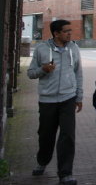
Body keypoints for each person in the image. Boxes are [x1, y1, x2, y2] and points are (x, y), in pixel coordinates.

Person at [27, 19, 83, 185]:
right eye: (66, 31)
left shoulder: (73, 48)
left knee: (68, 136)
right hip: (47, 100)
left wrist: (79, 96)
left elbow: (78, 73)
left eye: (70, 30)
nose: (69, 33)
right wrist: (43, 70)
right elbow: (30, 73)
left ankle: (65, 173)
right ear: (56, 33)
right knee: (46, 135)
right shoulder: (41, 49)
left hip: (68, 98)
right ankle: (42, 160)